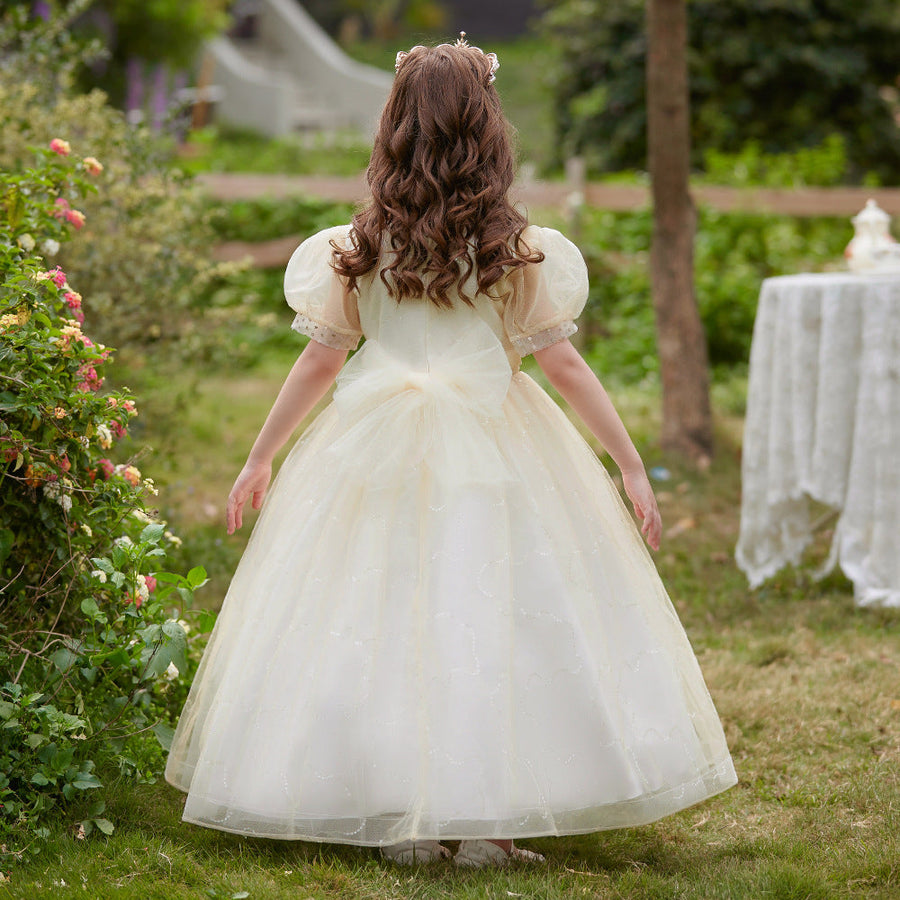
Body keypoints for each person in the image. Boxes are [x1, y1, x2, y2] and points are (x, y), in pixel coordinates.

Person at [165, 35, 737, 868]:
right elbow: (561, 362)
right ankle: (485, 821)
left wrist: (264, 456)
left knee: (380, 608)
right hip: (496, 443)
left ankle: (406, 810)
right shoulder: (512, 245)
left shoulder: (361, 244)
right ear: (488, 131)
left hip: (371, 444)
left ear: (395, 126)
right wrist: (628, 461)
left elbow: (322, 357)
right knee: (485, 607)